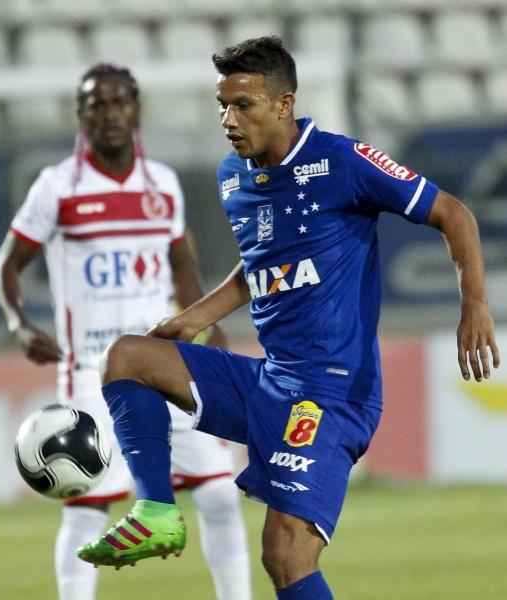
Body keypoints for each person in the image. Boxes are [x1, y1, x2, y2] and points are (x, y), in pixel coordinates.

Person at [76, 37, 501, 599]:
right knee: (128, 358)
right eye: (222, 105)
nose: (229, 119)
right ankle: (157, 511)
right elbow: (262, 265)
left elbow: (454, 212)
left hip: (331, 395)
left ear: (284, 104)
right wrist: (195, 315)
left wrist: (473, 302)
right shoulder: (235, 177)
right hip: (270, 378)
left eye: (243, 105)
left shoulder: (342, 161)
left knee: (285, 552)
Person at [0, 63, 252, 600]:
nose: (109, 115)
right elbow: (7, 265)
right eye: (96, 105)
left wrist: (210, 328)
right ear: (81, 116)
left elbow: (182, 268)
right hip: (92, 371)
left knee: (221, 496)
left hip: (164, 363)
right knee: (88, 507)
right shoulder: (57, 187)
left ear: (136, 110)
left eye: (119, 103)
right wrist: (19, 325)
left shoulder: (163, 184)